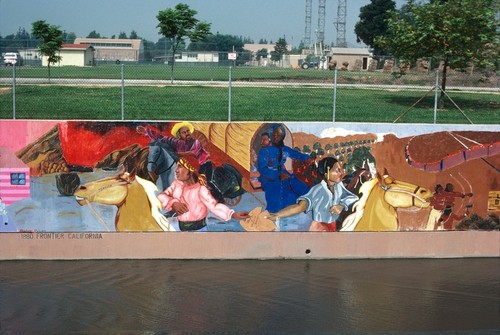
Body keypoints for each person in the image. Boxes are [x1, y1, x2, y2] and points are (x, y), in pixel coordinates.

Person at [157, 155, 248, 231]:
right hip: (181, 229)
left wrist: (233, 214)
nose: (176, 170)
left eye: (180, 166)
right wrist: (173, 203)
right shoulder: (176, 185)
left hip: (199, 231)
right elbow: (161, 196)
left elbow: (214, 206)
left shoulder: (200, 189)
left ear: (190, 169)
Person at [268, 157, 359, 232]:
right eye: (337, 170)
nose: (341, 172)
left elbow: (353, 197)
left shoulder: (338, 187)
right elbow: (300, 207)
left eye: (340, 169)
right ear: (327, 173)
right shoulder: (317, 190)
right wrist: (277, 215)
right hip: (319, 228)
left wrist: (342, 205)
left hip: (333, 226)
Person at [257, 125, 312, 213]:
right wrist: (277, 175)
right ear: (271, 135)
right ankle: (278, 211)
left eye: (278, 135)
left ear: (282, 137)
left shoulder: (284, 149)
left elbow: (296, 154)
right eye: (274, 135)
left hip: (283, 173)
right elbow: (262, 169)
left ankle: (301, 205)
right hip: (269, 177)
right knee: (280, 189)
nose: (276, 137)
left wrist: (307, 158)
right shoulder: (265, 151)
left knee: (297, 184)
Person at [137, 122, 212, 183]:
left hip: (203, 165)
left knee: (206, 183)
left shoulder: (196, 142)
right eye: (184, 132)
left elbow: (193, 153)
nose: (187, 133)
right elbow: (162, 138)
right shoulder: (177, 142)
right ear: (179, 135)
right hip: (186, 167)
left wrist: (177, 154)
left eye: (188, 131)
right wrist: (145, 131)